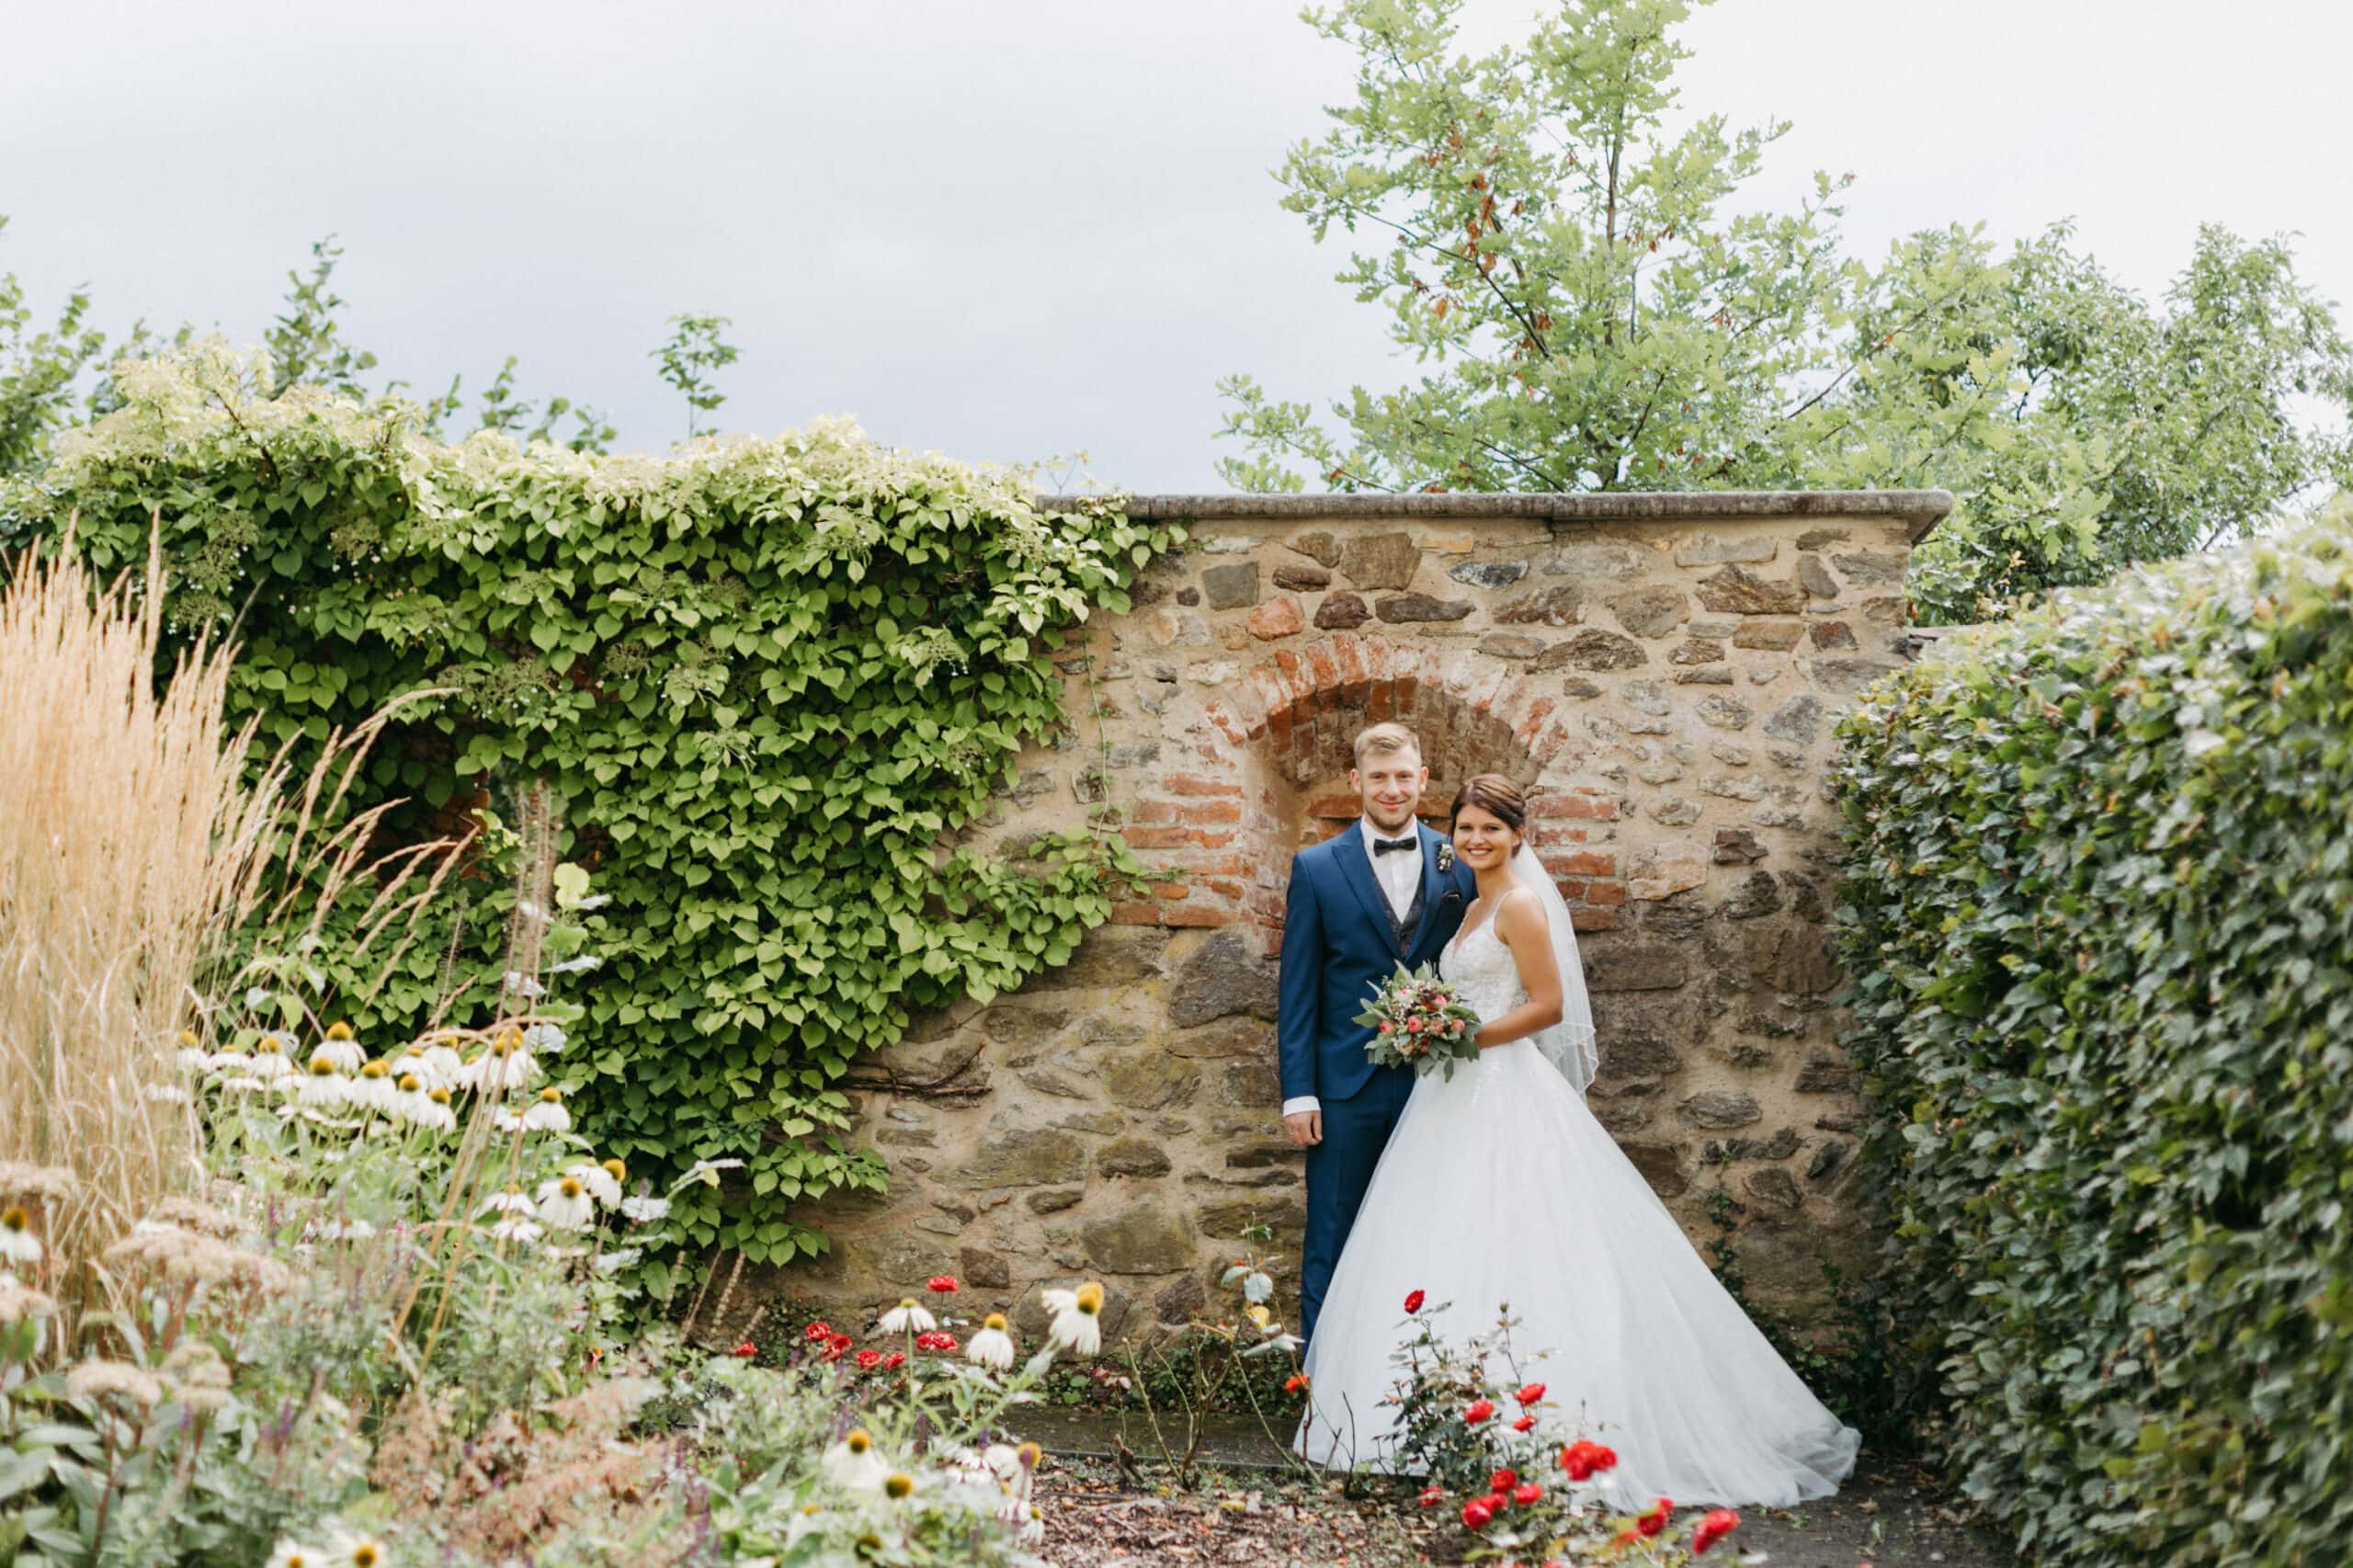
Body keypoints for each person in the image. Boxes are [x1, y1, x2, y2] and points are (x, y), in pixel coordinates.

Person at [1295, 772, 1860, 1508]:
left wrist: (1456, 1034)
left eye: (1490, 830)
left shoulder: (1522, 904)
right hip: (1449, 1093)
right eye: (1465, 829)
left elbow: (1548, 1005)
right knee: (1444, 1239)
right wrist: (1430, 1029)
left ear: (1517, 836)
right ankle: (1431, 1419)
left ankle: (1532, 1425)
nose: (1474, 840)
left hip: (1500, 1086)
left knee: (1524, 1244)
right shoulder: (1468, 907)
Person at [1277, 722, 1477, 1348]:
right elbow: (1298, 988)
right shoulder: (1314, 868)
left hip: (1440, 1084)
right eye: (1379, 778)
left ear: (1423, 781)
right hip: (1344, 1088)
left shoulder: (1461, 860)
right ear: (1356, 782)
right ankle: (1321, 1396)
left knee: (1436, 1235)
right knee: (1331, 1238)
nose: (1392, 790)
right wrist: (1299, 1092)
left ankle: (1422, 1386)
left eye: (1403, 777)